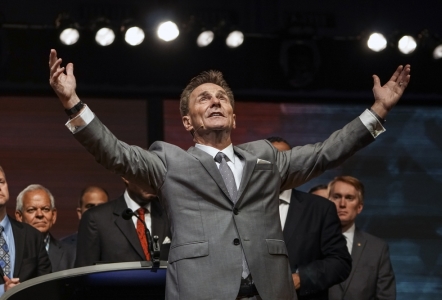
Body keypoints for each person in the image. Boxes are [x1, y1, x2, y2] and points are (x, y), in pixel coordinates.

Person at [49, 48, 410, 300]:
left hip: (272, 292)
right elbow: (114, 153)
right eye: (204, 98)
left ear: (234, 118)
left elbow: (326, 152)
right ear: (188, 122)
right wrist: (72, 104)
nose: (216, 101)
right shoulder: (168, 162)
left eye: (222, 97)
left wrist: (377, 111)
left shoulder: (265, 157)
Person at [269, 137, 351, 300]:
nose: (278, 165)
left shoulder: (319, 209)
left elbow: (339, 262)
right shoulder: (242, 208)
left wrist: (301, 278)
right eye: (271, 159)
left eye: (285, 158)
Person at [75, 178, 171, 267]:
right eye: (145, 173)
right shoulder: (96, 218)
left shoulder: (171, 215)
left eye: (155, 173)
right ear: (126, 176)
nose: (151, 180)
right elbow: (84, 275)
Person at [327, 176, 396, 300]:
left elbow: (386, 297)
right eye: (337, 197)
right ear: (327, 202)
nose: (342, 204)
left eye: (349, 198)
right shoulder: (310, 242)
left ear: (359, 207)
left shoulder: (377, 249)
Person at [0, 166, 51, 296]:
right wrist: (2, 291)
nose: (0, 187)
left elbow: (48, 285)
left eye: (1, 182)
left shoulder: (32, 235)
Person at [15, 184, 75, 272]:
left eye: (45, 209)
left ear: (53, 215)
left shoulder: (71, 254)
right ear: (19, 217)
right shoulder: (8, 252)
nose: (39, 214)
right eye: (31, 210)